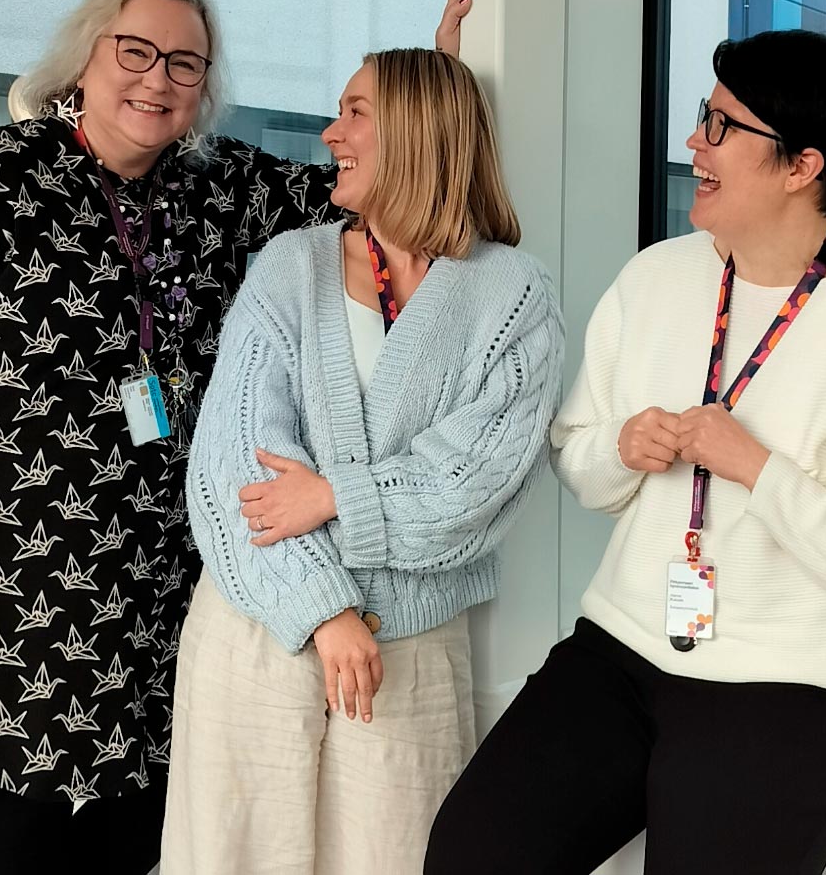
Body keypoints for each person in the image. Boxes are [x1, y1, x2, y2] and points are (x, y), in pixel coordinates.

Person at [0, 0, 469, 875]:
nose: (157, 80)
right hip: (19, 572)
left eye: (185, 63)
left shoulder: (223, 185)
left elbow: (367, 181)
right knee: (25, 827)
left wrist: (439, 74)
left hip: (165, 574)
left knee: (145, 822)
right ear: (85, 56)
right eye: (135, 52)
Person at [425, 29, 826, 874]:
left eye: (721, 126)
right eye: (702, 117)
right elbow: (578, 457)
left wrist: (757, 467)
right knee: (470, 856)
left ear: (803, 166)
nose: (694, 143)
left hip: (799, 689)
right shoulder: (657, 277)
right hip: (623, 649)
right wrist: (623, 449)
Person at [160, 48, 564, 875]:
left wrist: (332, 495)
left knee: (396, 859)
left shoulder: (514, 296)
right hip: (257, 625)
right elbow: (237, 465)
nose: (330, 133)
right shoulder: (291, 266)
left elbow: (477, 485)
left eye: (355, 112)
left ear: (415, 132)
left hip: (410, 655)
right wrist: (324, 609)